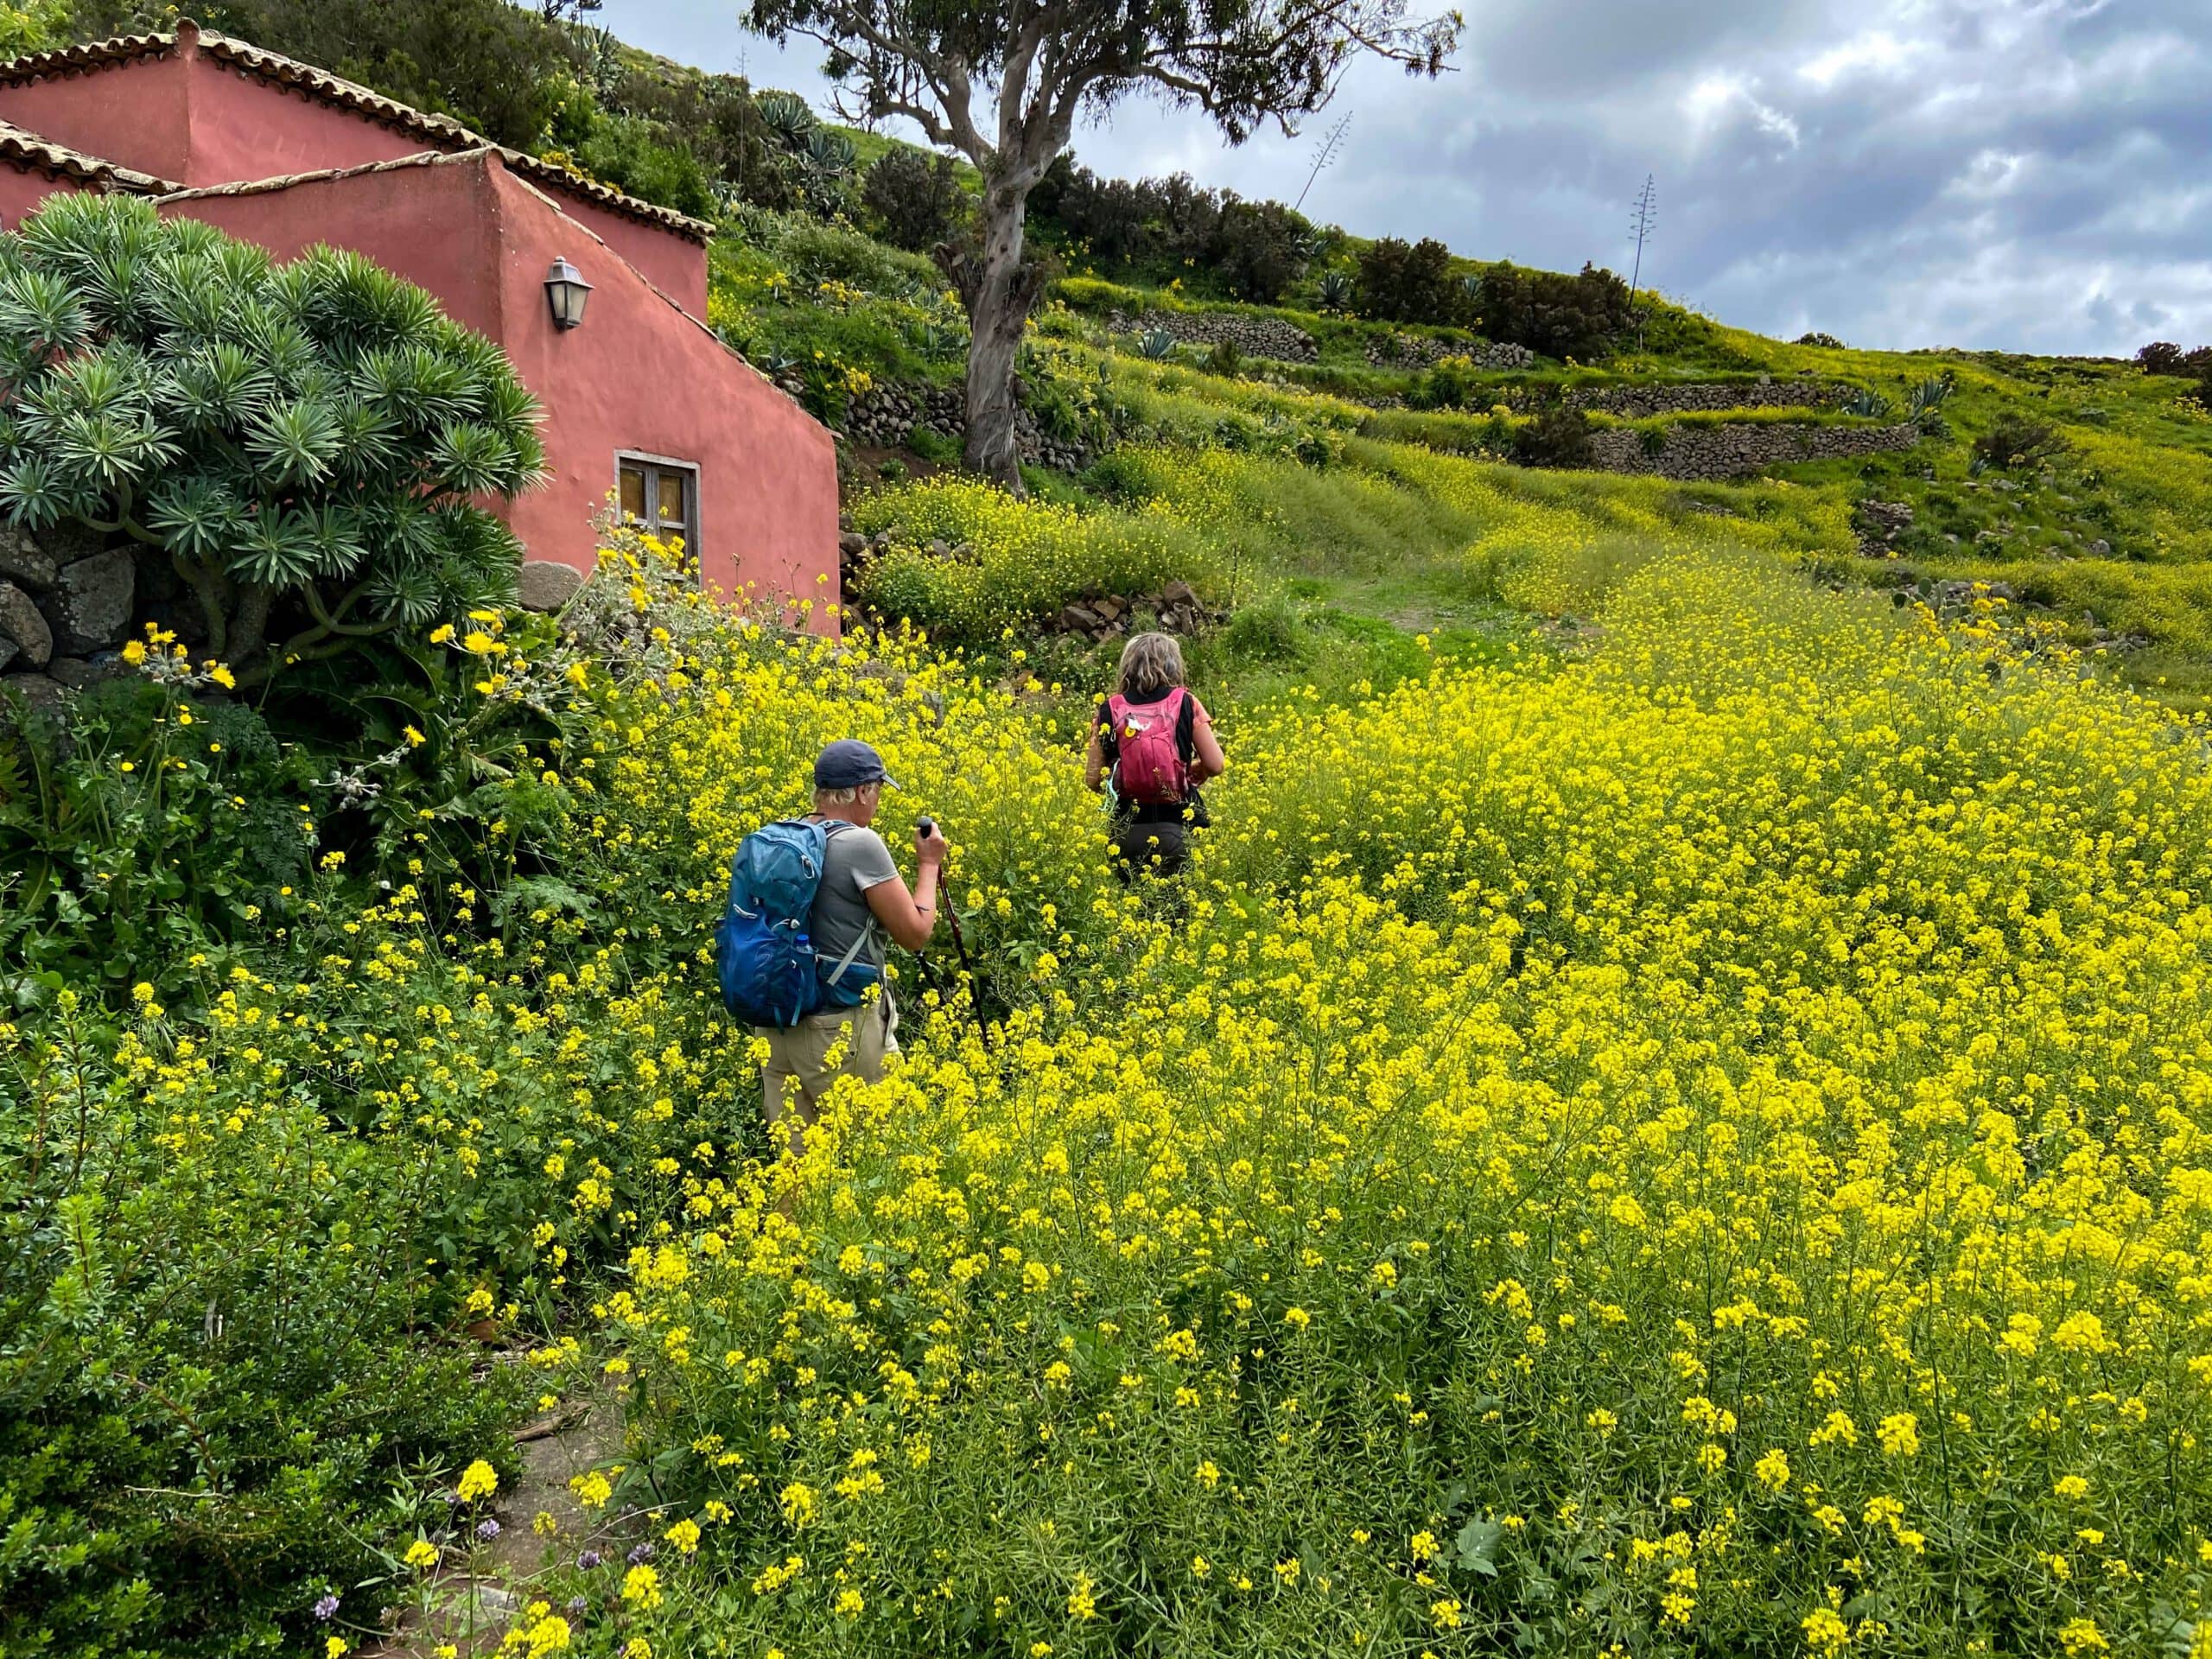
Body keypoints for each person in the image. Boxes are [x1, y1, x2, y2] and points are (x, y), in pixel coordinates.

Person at [758, 738, 944, 1157]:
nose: (876, 803)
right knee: (883, 1161)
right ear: (862, 791)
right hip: (839, 1032)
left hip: (774, 1026)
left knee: (795, 1173)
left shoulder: (779, 837)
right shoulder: (859, 843)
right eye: (877, 791)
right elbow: (914, 933)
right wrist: (929, 864)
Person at [1084, 631, 1224, 877]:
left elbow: (1093, 779)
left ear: (1128, 666)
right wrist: (1187, 770)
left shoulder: (1110, 708)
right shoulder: (1186, 703)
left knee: (1131, 911)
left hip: (1126, 832)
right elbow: (1215, 764)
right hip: (1176, 828)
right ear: (1173, 666)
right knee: (1176, 910)